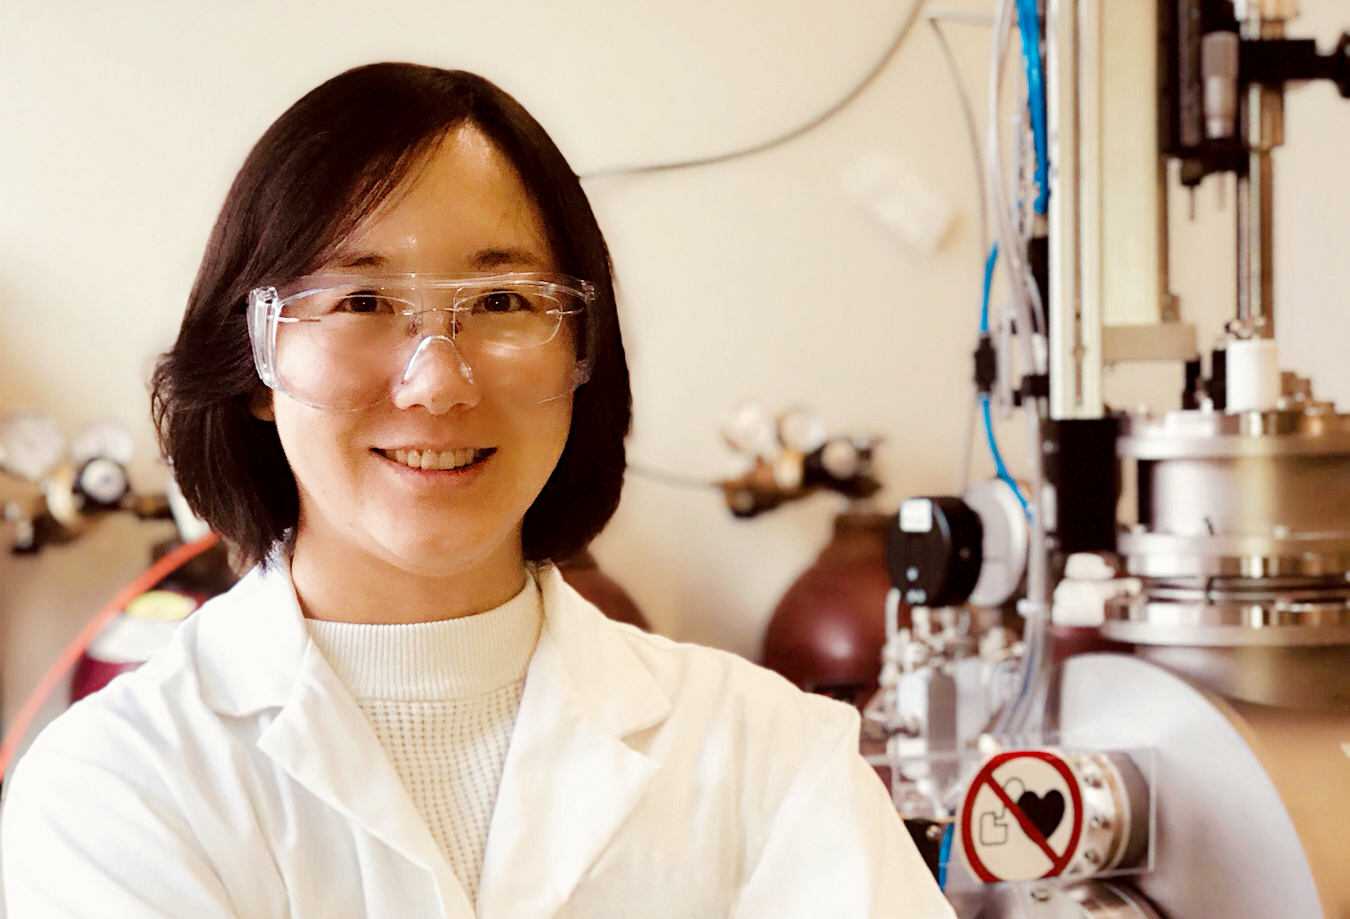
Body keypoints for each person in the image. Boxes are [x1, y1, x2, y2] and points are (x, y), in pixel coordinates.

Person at [1, 63, 954, 918]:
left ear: (585, 354)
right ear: (254, 363)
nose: (436, 382)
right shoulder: (120, 786)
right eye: (362, 302)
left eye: (502, 303)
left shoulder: (772, 758)